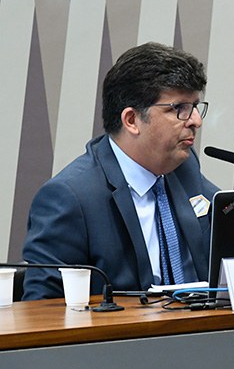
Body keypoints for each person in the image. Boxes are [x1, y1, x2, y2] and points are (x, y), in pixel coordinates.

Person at [22, 42, 218, 299]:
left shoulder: (184, 166)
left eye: (195, 106)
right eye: (179, 108)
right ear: (132, 120)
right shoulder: (70, 198)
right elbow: (41, 310)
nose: (196, 120)